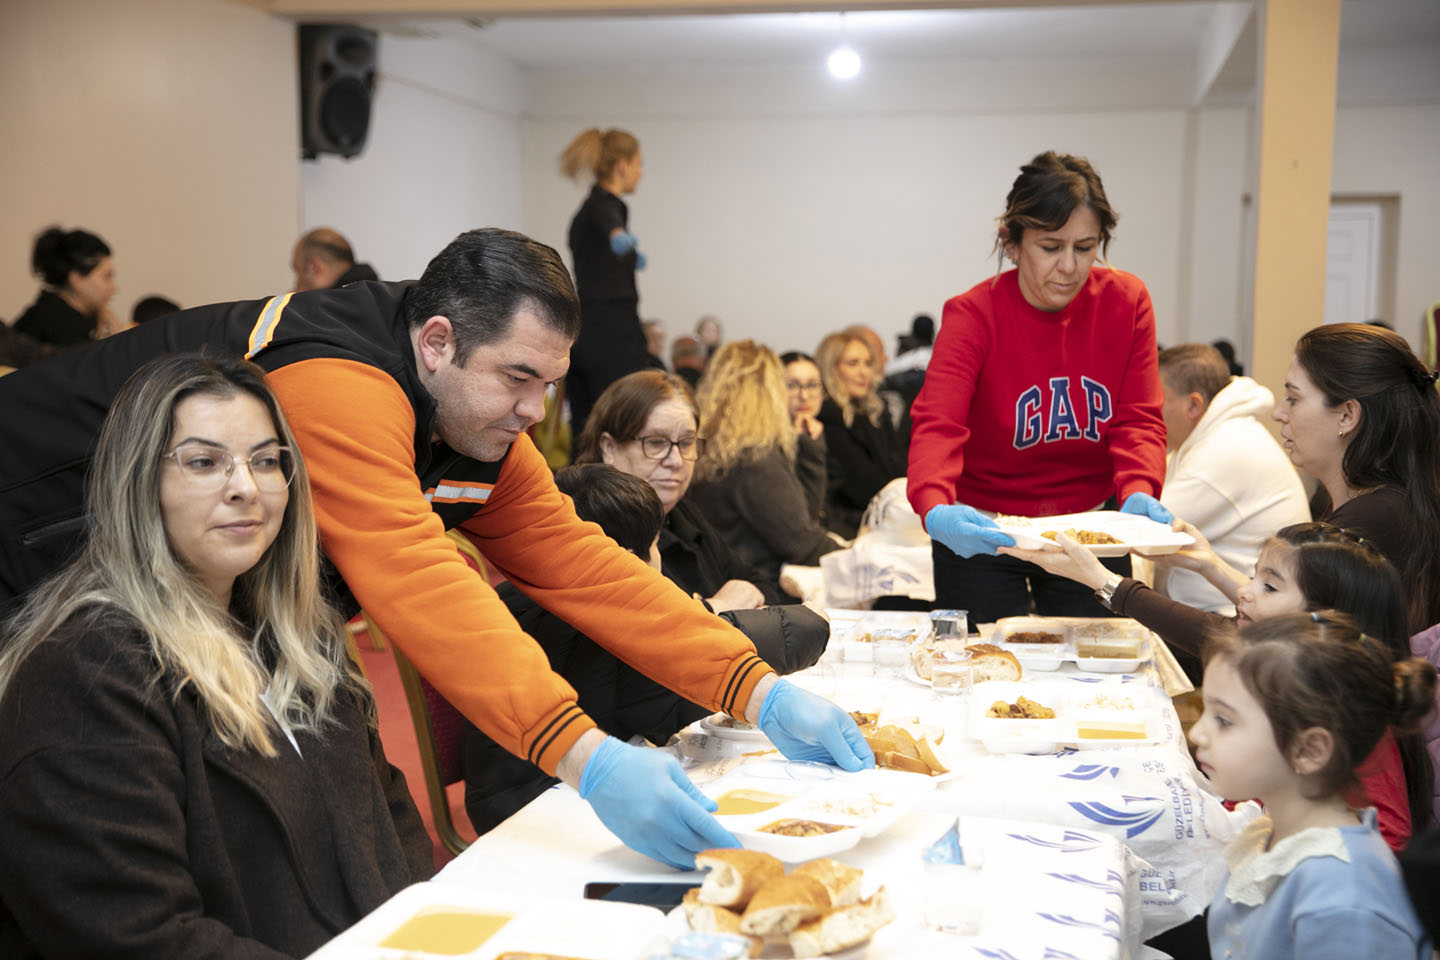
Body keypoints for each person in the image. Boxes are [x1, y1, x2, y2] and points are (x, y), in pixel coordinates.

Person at [0, 228, 870, 872]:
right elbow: (418, 580)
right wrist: (583, 753)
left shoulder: (467, 408)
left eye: (551, 384)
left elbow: (577, 560)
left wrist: (751, 686)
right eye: (518, 380)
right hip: (29, 537)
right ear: (438, 341)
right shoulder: (339, 383)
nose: (536, 412)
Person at [0, 351, 432, 957]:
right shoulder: (84, 672)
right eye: (204, 462)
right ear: (138, 481)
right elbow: (137, 939)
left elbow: (391, 817)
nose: (245, 488)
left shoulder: (299, 636)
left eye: (265, 461)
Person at [1007, 521, 1433, 850]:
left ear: (1322, 620)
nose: (1244, 592)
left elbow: (1383, 839)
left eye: (1268, 586)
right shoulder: (1301, 680)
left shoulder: (1343, 718)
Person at [461, 463, 826, 834]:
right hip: (537, 810)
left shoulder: (523, 594)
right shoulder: (602, 627)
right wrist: (811, 623)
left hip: (527, 785)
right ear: (628, 562)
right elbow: (686, 673)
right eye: (655, 545)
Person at [908, 150, 1168, 624]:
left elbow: (1138, 418)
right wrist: (933, 505)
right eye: (1050, 247)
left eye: (1085, 247)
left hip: (1088, 523)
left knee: (1100, 667)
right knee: (982, 667)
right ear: (1012, 242)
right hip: (984, 524)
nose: (1069, 266)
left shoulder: (1127, 302)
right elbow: (937, 423)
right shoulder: (973, 315)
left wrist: (1138, 487)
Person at [1191, 611, 1434, 959]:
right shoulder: (1275, 833)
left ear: (1308, 750)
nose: (1197, 733)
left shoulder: (1341, 900)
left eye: (1224, 720)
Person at [1275, 322, 1440, 633]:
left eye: (1293, 399)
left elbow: (1276, 638)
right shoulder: (1376, 503)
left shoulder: (1371, 518)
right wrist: (1209, 566)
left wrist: (1149, 599)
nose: (1279, 413)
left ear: (1347, 416)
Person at [575, 369, 779, 611]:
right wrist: (716, 608)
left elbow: (760, 587)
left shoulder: (681, 514)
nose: (676, 460)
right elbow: (636, 628)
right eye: (656, 442)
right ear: (609, 447)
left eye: (686, 443)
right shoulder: (590, 527)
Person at [1157, 343, 1309, 614]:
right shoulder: (1211, 437)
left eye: (1156, 399)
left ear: (1193, 404)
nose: (1148, 410)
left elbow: (1146, 532)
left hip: (1236, 618)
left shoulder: (1226, 447)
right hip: (1225, 607)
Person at [685, 341, 842, 581]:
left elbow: (800, 524)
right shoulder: (754, 458)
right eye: (787, 385)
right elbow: (802, 544)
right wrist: (861, 557)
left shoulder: (716, 445)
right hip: (761, 590)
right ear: (769, 392)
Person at [559, 127, 652, 436]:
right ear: (621, 165)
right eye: (638, 163)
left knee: (585, 425)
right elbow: (609, 221)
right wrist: (619, 237)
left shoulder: (584, 210)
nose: (640, 173)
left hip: (585, 329)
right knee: (620, 421)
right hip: (612, 333)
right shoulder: (606, 205)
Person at [815, 330, 905, 539]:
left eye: (867, 363)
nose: (864, 372)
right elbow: (865, 486)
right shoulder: (828, 418)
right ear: (831, 368)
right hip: (851, 527)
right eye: (853, 363)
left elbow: (900, 467)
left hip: (888, 515)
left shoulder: (875, 413)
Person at [13, 225, 120, 345]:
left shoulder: (77, 314)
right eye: (106, 277)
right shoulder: (56, 324)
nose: (114, 287)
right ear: (77, 280)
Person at [781, 350, 828, 526]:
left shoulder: (818, 428)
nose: (804, 396)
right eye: (792, 385)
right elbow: (805, 517)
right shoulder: (766, 444)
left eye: (812, 385)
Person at [290, 227, 379, 291]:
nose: (296, 285)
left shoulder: (324, 314)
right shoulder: (384, 299)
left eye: (298, 271)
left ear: (316, 268)